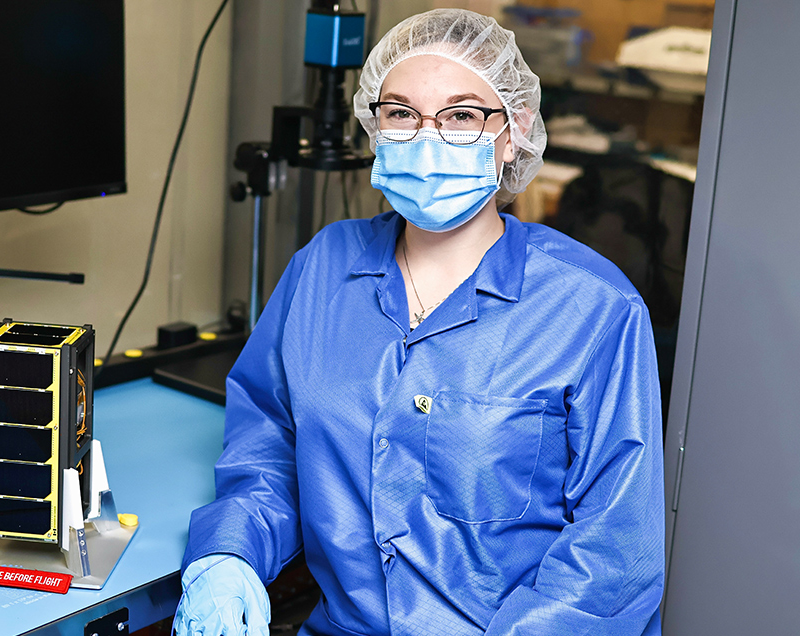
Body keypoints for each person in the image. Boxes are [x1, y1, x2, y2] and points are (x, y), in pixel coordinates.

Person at [175, 8, 664, 636]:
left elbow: (617, 553)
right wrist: (228, 552)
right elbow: (271, 442)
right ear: (374, 129)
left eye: (461, 116)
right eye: (401, 113)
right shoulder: (323, 267)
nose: (426, 139)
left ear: (510, 134)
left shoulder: (592, 308)